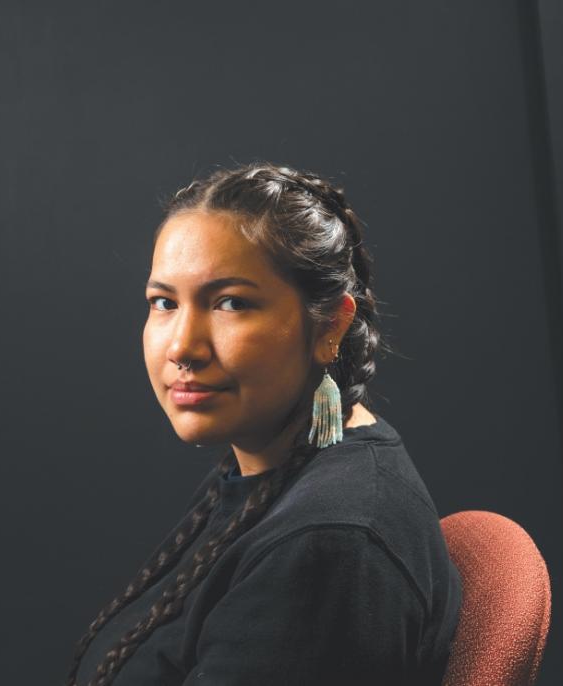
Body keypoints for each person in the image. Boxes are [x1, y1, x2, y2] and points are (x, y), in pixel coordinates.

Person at [65, 164, 461, 686]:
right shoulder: (265, 473)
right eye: (164, 303)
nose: (182, 346)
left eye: (231, 303)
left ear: (331, 325)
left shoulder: (328, 545)